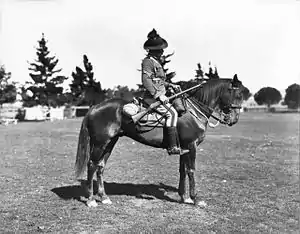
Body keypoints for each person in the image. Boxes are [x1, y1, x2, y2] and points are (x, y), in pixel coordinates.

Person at [141, 28, 181, 155]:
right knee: (172, 114)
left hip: (160, 94)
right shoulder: (148, 62)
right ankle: (172, 146)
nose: (163, 51)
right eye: (160, 49)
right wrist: (159, 96)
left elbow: (159, 80)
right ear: (153, 51)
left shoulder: (156, 62)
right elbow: (146, 81)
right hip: (152, 97)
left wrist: (171, 85)